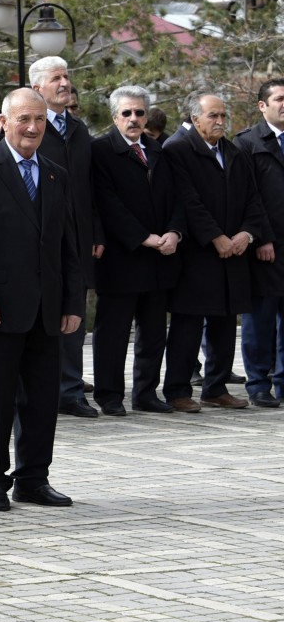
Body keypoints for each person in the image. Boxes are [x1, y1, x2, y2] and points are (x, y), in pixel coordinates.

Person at [0, 87, 84, 512]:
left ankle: (33, 477)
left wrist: (72, 304)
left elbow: (68, 245)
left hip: (46, 308)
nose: (32, 128)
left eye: (40, 120)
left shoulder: (54, 173)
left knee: (41, 399)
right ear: (2, 123)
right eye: (24, 119)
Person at [162, 93, 267, 412]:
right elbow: (187, 201)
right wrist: (216, 237)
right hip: (197, 254)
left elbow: (253, 198)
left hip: (234, 251)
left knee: (225, 321)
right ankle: (178, 389)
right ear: (195, 119)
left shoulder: (232, 151)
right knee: (188, 324)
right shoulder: (178, 149)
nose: (221, 121)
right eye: (213, 116)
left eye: (223, 115)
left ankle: (216, 386)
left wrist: (246, 235)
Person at [90, 86, 183, 416]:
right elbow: (106, 203)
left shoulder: (159, 151)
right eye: (127, 113)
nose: (134, 119)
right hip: (122, 257)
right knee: (113, 333)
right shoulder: (100, 151)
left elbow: (177, 197)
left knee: (154, 331)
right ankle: (110, 394)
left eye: (140, 113)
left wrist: (174, 232)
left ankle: (145, 393)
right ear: (115, 116)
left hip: (160, 258)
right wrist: (143, 237)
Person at [29, 56, 101, 419]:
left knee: (74, 311)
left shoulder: (79, 129)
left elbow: (90, 186)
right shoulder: (31, 129)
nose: (65, 83)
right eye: (56, 77)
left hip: (79, 236)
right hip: (41, 237)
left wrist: (96, 232)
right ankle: (43, 390)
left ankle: (72, 391)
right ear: (37, 88)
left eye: (67, 76)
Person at [235, 78, 284, 408]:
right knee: (260, 319)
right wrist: (262, 238)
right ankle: (258, 383)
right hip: (265, 248)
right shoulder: (247, 143)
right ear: (262, 105)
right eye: (279, 99)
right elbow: (247, 198)